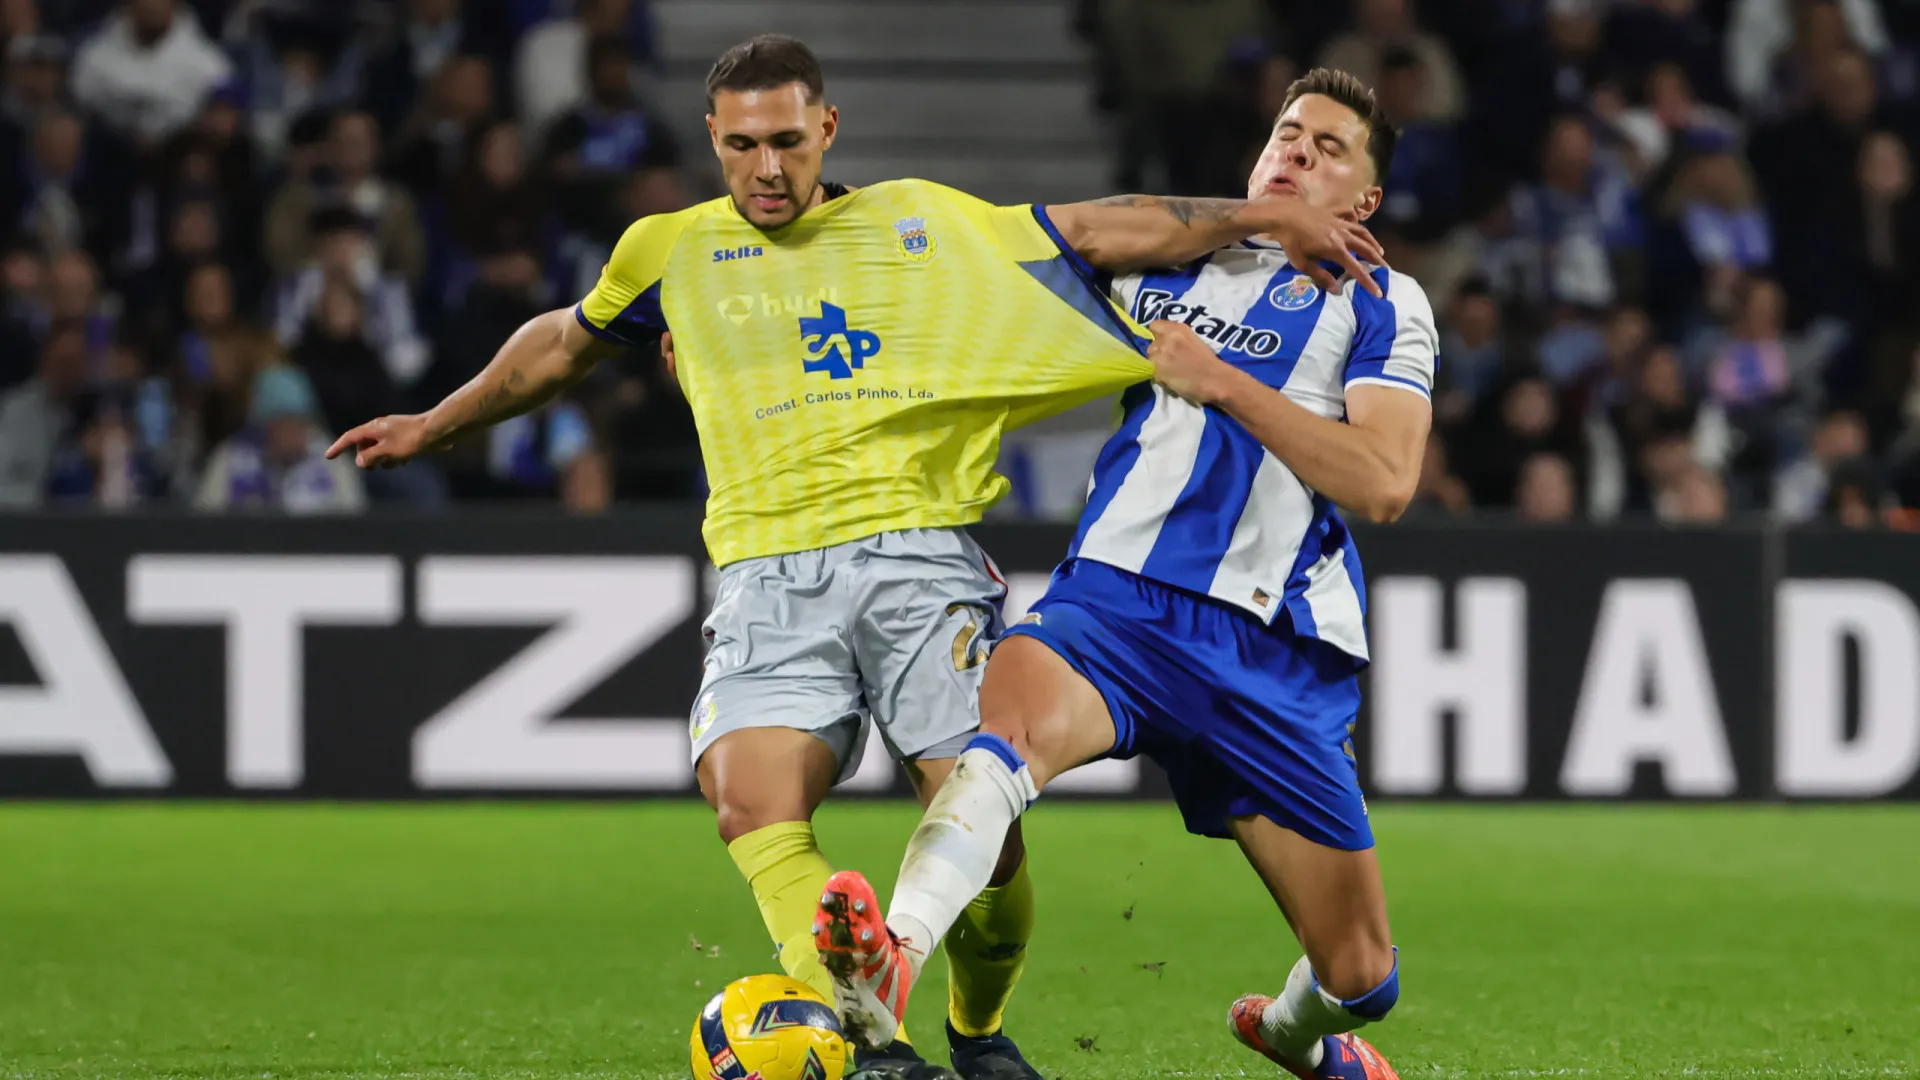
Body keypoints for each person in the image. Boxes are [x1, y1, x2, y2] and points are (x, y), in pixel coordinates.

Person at [325, 34, 1381, 1080]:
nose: (768, 169)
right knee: (747, 796)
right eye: (742, 147)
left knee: (985, 833)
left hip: (920, 561)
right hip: (765, 569)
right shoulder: (668, 251)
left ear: (827, 127)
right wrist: (436, 423)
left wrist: (1264, 216)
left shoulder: (922, 225)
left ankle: (978, 1025)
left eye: (788, 141)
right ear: (713, 139)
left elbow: (1102, 228)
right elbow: (561, 340)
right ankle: (866, 1031)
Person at [813, 68, 1432, 1080]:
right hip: (1114, 602)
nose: (1298, 153)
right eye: (1288, 133)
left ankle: (1290, 1034)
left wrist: (1220, 382)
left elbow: (1387, 481)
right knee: (1000, 745)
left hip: (1267, 650)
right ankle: (892, 966)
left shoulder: (1384, 304)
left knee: (1362, 976)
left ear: (1364, 201)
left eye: (1329, 150)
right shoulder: (1171, 261)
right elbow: (1033, 245)